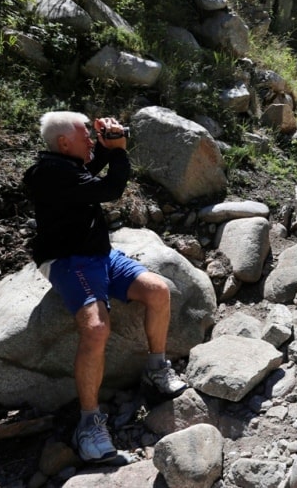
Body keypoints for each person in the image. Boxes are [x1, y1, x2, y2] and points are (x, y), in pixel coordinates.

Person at [22, 111, 187, 463]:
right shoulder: (47, 173)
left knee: (158, 290)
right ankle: (89, 422)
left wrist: (103, 145)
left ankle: (156, 369)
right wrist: (120, 151)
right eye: (84, 135)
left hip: (101, 255)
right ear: (63, 142)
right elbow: (110, 189)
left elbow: (90, 170)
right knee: (96, 328)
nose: (88, 139)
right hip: (70, 260)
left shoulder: (65, 166)